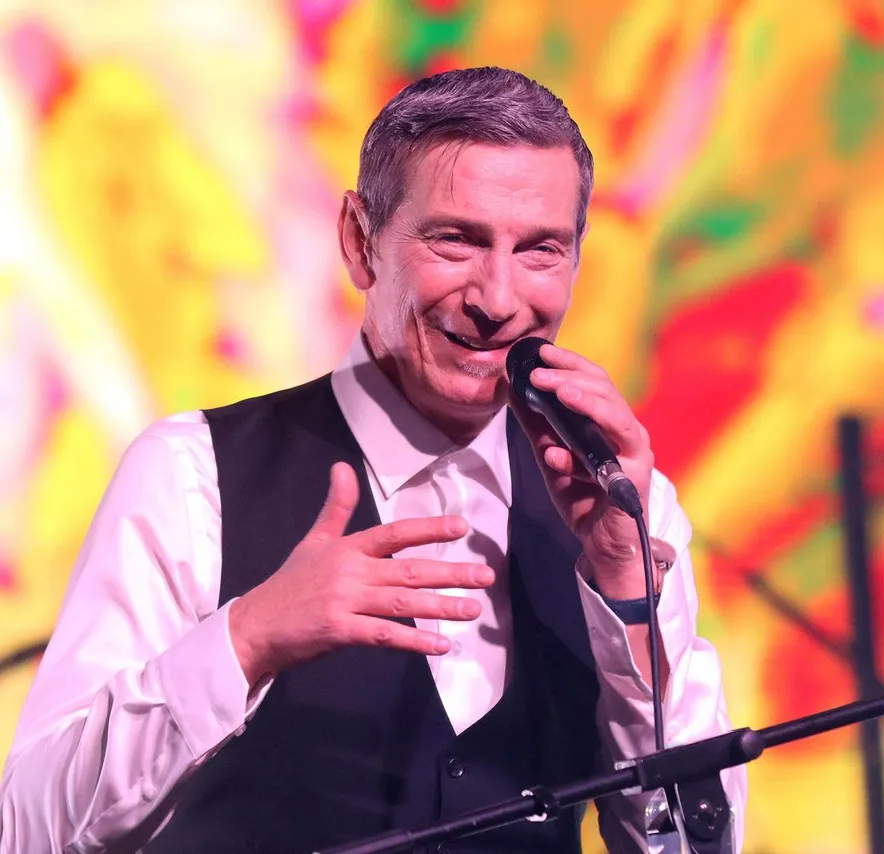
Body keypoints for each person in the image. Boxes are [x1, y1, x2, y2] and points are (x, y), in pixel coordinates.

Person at [0, 67, 747, 853]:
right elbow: (31, 830)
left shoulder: (627, 506)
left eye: (539, 251)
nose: (498, 299)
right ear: (360, 242)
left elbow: (692, 846)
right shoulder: (192, 477)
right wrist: (245, 639)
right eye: (456, 240)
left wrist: (628, 595)